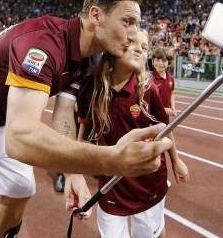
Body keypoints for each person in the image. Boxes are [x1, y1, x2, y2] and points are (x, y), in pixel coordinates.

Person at [0, 0, 173, 238]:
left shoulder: (92, 55)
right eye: (128, 22)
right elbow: (19, 140)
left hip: (1, 120)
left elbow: (65, 113)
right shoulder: (42, 45)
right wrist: (112, 159)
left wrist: (73, 172)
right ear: (96, 16)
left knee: (21, 187)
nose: (134, 34)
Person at [73, 30, 189, 238]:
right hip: (111, 183)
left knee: (151, 235)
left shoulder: (148, 89)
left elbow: (165, 129)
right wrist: (76, 172)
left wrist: (176, 160)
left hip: (148, 181)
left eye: (144, 48)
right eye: (133, 42)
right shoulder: (91, 88)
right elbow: (82, 134)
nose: (140, 49)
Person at [151, 47, 177, 117]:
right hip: (152, 118)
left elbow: (172, 93)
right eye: (157, 60)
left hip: (164, 116)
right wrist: (164, 109)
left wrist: (173, 108)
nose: (160, 63)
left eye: (164, 61)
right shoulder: (149, 79)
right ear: (153, 61)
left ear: (169, 63)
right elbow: (147, 102)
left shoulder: (171, 78)